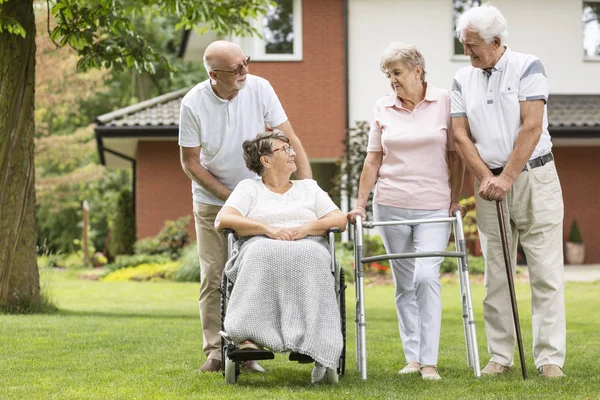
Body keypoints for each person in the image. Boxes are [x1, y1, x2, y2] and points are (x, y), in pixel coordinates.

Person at [178, 40, 312, 373]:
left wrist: (307, 188)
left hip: (258, 196)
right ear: (214, 74)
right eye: (236, 68)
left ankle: (249, 348)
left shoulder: (260, 88)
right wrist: (232, 199)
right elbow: (191, 163)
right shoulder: (193, 104)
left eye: (245, 62)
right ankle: (215, 352)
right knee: (214, 274)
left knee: (257, 271)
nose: (245, 71)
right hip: (213, 201)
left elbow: (290, 139)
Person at [451, 4, 565, 378]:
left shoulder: (528, 65)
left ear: (496, 41)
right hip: (489, 185)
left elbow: (531, 127)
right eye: (464, 45)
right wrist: (487, 177)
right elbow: (460, 135)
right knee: (497, 275)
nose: (467, 52)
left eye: (472, 46)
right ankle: (500, 356)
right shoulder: (461, 79)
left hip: (533, 178)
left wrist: (507, 178)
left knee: (545, 272)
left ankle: (549, 359)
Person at [347, 42, 465, 381]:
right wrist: (359, 204)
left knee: (426, 277)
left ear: (418, 71)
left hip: (433, 205)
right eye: (388, 75)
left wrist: (455, 199)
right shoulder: (383, 106)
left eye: (396, 73)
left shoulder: (444, 100)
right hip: (390, 204)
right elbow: (373, 158)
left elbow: (455, 156)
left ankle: (429, 361)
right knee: (404, 284)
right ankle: (413, 357)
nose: (392, 81)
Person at [215, 131, 346, 383]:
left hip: (307, 243)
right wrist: (266, 228)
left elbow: (339, 219)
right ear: (265, 160)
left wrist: (307, 228)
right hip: (260, 243)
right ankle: (248, 337)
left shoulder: (309, 188)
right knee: (261, 251)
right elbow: (224, 219)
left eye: (291, 149)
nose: (293, 153)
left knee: (311, 254)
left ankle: (313, 337)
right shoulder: (248, 189)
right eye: (285, 149)